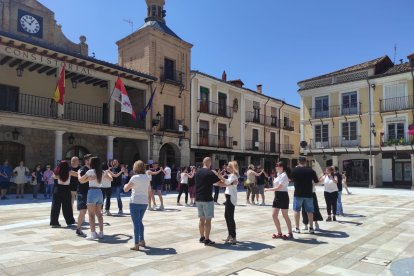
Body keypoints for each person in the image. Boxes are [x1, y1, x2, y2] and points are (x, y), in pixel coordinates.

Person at [78, 156, 113, 240]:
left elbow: (80, 180)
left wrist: (79, 173)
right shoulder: (102, 172)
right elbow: (111, 179)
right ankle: (101, 233)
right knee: (99, 214)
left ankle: (93, 233)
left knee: (91, 214)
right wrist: (106, 172)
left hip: (92, 192)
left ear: (92, 163)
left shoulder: (90, 171)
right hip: (100, 192)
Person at [123, 160, 151, 251]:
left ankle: (136, 244)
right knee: (139, 222)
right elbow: (149, 190)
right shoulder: (147, 177)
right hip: (144, 202)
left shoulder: (134, 178)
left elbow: (126, 189)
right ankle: (142, 240)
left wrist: (125, 185)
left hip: (135, 202)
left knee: (136, 223)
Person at [195, 157, 221, 246]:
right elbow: (219, 182)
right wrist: (229, 184)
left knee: (201, 219)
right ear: (210, 163)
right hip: (207, 199)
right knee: (208, 220)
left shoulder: (197, 172)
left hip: (198, 198)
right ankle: (207, 239)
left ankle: (202, 237)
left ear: (203, 162)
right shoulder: (210, 173)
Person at [291, 156, 319, 234]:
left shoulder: (294, 170)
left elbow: (290, 179)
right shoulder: (311, 170)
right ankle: (311, 228)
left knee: (297, 210)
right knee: (310, 211)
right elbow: (316, 181)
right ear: (306, 162)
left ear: (298, 162)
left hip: (298, 193)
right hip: (309, 193)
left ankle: (297, 228)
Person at [265, 162, 293, 239]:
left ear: (282, 167)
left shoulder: (284, 175)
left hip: (283, 196)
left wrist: (268, 189)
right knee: (274, 215)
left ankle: (290, 233)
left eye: (277, 166)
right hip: (277, 196)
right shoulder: (278, 175)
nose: (276, 167)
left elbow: (279, 187)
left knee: (285, 215)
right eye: (276, 166)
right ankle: (279, 233)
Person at [215, 161, 240, 244]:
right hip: (229, 197)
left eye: (229, 166)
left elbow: (227, 182)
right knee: (227, 216)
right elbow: (227, 183)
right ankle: (230, 235)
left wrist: (219, 176)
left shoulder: (233, 175)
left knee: (230, 217)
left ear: (232, 167)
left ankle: (233, 236)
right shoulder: (232, 175)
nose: (227, 168)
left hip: (231, 198)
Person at [50, 161, 76, 227]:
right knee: (67, 206)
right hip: (66, 189)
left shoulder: (57, 172)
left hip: (58, 189)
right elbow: (77, 174)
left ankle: (54, 222)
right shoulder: (70, 172)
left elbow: (53, 176)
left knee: (55, 206)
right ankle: (70, 222)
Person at [75, 154, 92, 237]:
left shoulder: (91, 169)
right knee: (83, 211)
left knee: (86, 211)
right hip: (82, 193)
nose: (92, 161)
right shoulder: (82, 169)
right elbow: (81, 180)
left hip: (89, 193)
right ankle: (78, 228)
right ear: (86, 161)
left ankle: (79, 228)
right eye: (90, 159)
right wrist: (89, 178)